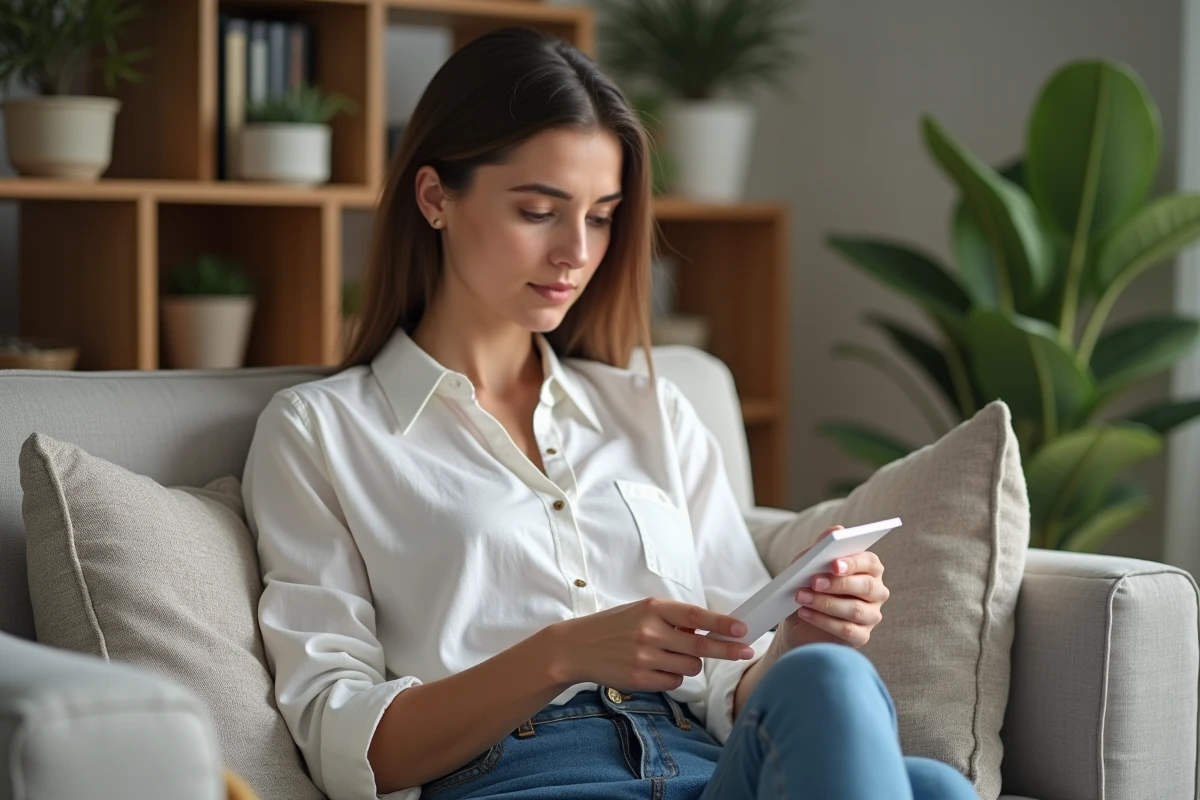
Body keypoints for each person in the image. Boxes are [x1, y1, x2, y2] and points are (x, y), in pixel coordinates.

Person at [241, 25, 978, 800]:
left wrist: (799, 630)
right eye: (538, 211)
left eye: (600, 216)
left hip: (699, 769)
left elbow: (733, 679)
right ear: (435, 198)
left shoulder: (654, 411)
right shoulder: (320, 431)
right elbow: (341, 741)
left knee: (868, 717)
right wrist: (560, 654)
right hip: (521, 781)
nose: (577, 253)